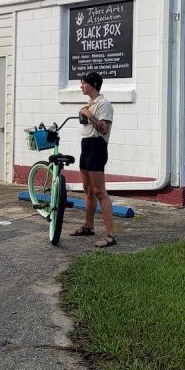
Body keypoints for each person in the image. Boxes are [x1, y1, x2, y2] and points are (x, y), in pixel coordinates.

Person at [70, 71, 116, 248]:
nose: (81, 86)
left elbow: (103, 129)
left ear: (94, 85)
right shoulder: (90, 103)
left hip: (97, 147)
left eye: (84, 83)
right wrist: (86, 111)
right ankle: (88, 226)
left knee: (99, 191)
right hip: (86, 146)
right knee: (87, 189)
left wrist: (88, 113)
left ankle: (110, 235)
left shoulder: (104, 104)